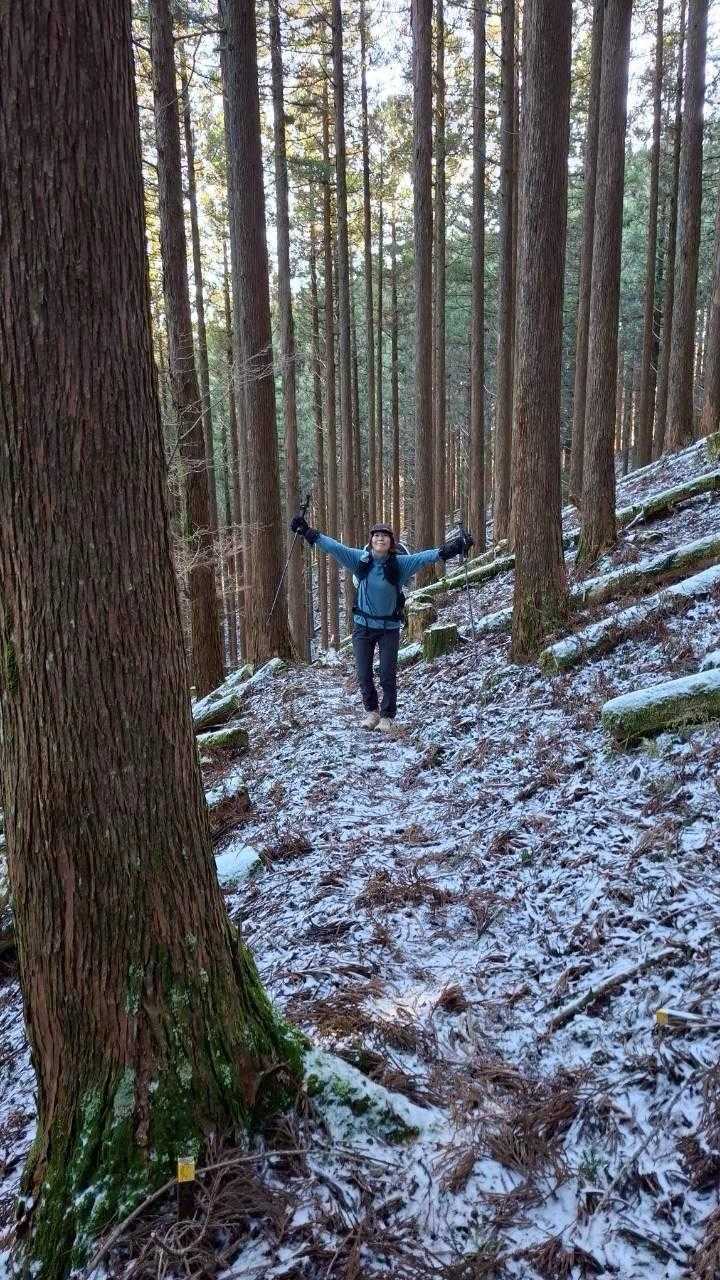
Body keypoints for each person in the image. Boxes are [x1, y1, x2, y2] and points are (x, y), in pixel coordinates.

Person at [290, 516, 474, 732]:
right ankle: (372, 712)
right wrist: (309, 532)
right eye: (377, 536)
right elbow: (335, 548)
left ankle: (387, 716)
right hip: (362, 627)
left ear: (391, 542)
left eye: (385, 536)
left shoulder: (400, 564)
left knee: (387, 674)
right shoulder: (360, 560)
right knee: (363, 674)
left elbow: (425, 557)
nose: (380, 539)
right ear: (371, 540)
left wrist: (453, 548)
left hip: (389, 629)